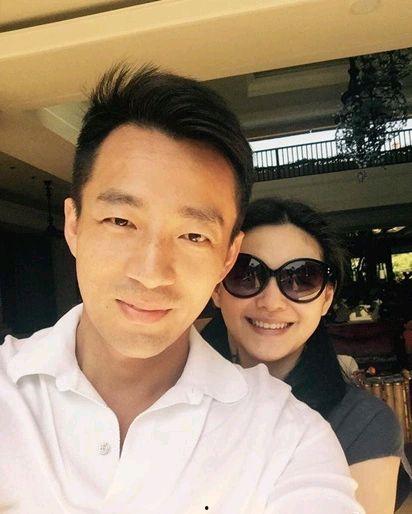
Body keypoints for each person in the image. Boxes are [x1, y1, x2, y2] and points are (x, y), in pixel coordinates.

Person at [0, 66, 363, 514]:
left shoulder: (287, 439)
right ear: (74, 226)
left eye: (194, 236)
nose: (151, 273)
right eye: (121, 221)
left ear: (227, 257)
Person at [201, 196, 403, 514]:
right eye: (246, 274)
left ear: (326, 299)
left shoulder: (362, 424)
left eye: (302, 279)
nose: (271, 302)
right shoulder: (164, 395)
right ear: (216, 288)